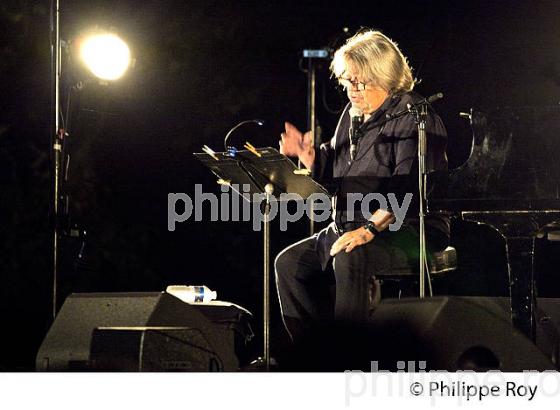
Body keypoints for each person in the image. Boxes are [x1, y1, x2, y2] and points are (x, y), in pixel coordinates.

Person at [275, 30, 450, 343]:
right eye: (346, 81)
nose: (351, 90)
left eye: (359, 81)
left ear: (383, 75)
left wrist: (368, 229)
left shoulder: (414, 115)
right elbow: (334, 173)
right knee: (289, 264)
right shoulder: (353, 114)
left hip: (405, 231)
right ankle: (316, 355)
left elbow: (407, 193)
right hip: (350, 225)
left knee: (349, 256)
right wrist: (310, 156)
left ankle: (348, 357)